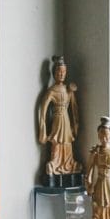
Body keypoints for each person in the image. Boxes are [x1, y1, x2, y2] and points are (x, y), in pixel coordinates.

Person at [36, 55, 80, 184]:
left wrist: (75, 125)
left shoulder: (68, 90)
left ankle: (68, 164)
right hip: (57, 119)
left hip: (66, 120)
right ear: (54, 73)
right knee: (56, 142)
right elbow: (42, 109)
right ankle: (55, 164)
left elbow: (74, 109)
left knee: (67, 143)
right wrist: (42, 128)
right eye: (58, 72)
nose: (61, 74)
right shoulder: (51, 91)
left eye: (63, 72)